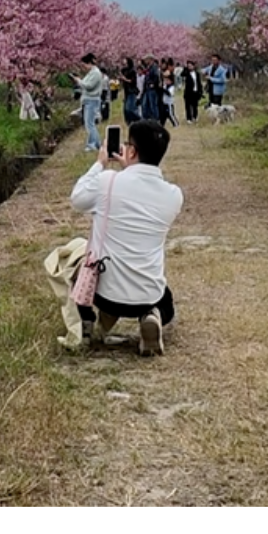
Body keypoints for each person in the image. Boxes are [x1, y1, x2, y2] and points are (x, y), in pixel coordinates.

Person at [70, 120, 184, 358]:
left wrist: (99, 164)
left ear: (131, 151)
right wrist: (129, 169)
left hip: (105, 296)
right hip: (148, 293)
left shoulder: (107, 181)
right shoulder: (174, 195)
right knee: (166, 301)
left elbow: (78, 199)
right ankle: (152, 315)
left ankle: (90, 321)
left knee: (76, 259)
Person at [76, 55, 108, 154]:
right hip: (89, 100)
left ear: (89, 63)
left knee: (89, 124)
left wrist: (79, 81)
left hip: (92, 100)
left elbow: (89, 86)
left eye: (84, 64)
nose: (84, 67)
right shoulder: (92, 73)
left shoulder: (95, 73)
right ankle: (96, 143)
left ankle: (92, 144)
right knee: (90, 123)